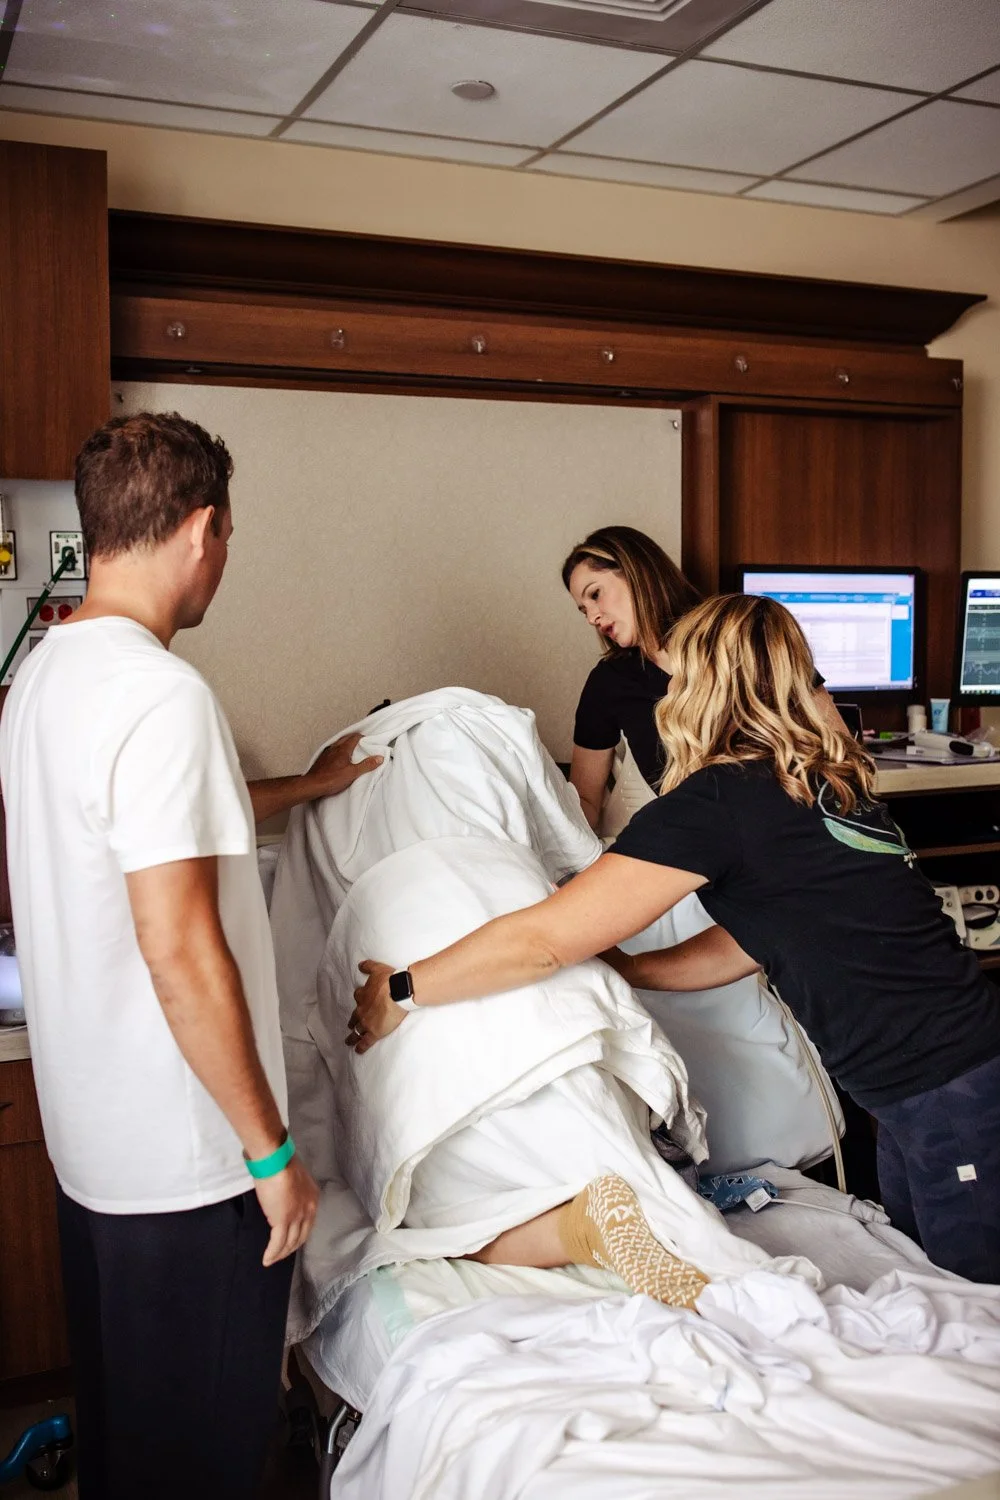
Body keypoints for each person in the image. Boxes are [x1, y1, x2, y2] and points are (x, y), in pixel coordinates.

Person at [350, 593, 1000, 1285]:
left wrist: (402, 989)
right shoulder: (815, 778)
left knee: (978, 1306)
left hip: (947, 1090)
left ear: (693, 684)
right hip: (931, 1081)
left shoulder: (721, 803)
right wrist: (629, 970)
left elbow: (541, 941)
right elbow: (754, 942)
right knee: (938, 1286)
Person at [0, 412, 381, 1500]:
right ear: (205, 529)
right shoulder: (165, 696)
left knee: (133, 1440)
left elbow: (144, 828)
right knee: (207, 1457)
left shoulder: (45, 676)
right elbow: (178, 947)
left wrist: (310, 787)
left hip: (95, 1159)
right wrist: (272, 1157)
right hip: (187, 1170)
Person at [563, 525, 841, 829]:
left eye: (595, 594)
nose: (592, 617)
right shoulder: (610, 682)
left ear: (634, 571)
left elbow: (837, 744)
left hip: (790, 827)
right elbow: (585, 801)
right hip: (702, 840)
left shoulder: (741, 634)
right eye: (583, 610)